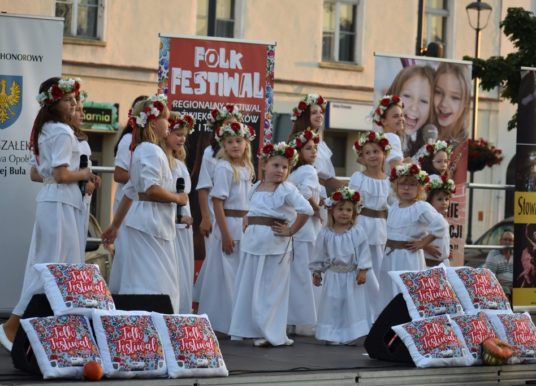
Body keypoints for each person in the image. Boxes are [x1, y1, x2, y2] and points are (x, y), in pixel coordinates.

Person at [0, 77, 94, 352]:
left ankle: (59, 330)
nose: (73, 104)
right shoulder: (62, 132)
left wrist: (75, 180)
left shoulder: (45, 129)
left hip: (56, 201)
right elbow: (62, 173)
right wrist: (85, 174)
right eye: (67, 100)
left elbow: (42, 172)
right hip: (60, 203)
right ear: (53, 103)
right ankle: (12, 325)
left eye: (74, 99)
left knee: (59, 268)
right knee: (53, 268)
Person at [102, 95, 187, 313]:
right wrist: (178, 198)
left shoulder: (142, 150)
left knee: (142, 277)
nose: (169, 124)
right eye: (166, 119)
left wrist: (115, 225)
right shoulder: (150, 150)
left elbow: (130, 191)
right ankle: (154, 326)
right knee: (156, 280)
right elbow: (151, 188)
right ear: (152, 122)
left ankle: (143, 327)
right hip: (151, 224)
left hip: (145, 223)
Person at [228, 142, 313, 347]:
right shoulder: (256, 186)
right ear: (264, 165)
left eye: (284, 167)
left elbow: (307, 210)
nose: (280, 170)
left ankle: (271, 332)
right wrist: (248, 218)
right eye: (276, 165)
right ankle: (247, 328)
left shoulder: (287, 189)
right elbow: (254, 208)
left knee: (270, 289)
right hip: (253, 243)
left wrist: (292, 230)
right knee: (249, 285)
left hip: (275, 246)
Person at [197, 121, 255, 334]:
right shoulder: (224, 167)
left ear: (246, 143)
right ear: (223, 145)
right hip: (228, 225)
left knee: (239, 277)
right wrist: (225, 234)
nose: (235, 146)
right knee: (226, 277)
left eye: (238, 141)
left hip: (243, 225)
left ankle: (238, 321)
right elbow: (218, 202)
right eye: (229, 142)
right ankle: (224, 322)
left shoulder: (246, 168)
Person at [310, 187, 377, 345]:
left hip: (351, 275)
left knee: (350, 305)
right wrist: (317, 272)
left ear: (354, 213)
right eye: (340, 209)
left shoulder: (356, 231)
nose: (344, 213)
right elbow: (320, 253)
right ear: (331, 210)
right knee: (333, 304)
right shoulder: (325, 233)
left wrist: (363, 270)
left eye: (348, 210)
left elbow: (364, 251)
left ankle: (349, 334)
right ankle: (332, 334)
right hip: (333, 275)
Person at [193, 105, 242, 303]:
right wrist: (206, 217)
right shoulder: (210, 153)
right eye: (226, 124)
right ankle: (213, 306)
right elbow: (204, 186)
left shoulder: (241, 156)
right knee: (218, 262)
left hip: (237, 219)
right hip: (216, 215)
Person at [379, 163, 445, 308]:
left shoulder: (421, 207)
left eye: (412, 185)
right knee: (388, 288)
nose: (406, 188)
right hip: (390, 255)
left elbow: (440, 226)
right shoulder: (395, 206)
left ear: (419, 188)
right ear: (396, 187)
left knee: (406, 290)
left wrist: (423, 243)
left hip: (408, 256)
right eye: (402, 185)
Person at [287, 129, 322, 335]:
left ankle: (294, 318)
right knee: (305, 274)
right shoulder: (309, 170)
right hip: (306, 229)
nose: (314, 151)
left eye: (315, 148)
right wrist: (317, 209)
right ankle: (306, 320)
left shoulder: (293, 173)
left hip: (298, 228)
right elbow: (306, 193)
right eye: (308, 148)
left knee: (297, 275)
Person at [165, 112, 196, 313]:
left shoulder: (180, 164)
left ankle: (183, 309)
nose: (181, 138)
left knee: (184, 269)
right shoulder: (164, 162)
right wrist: (177, 216)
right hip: (172, 222)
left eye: (184, 135)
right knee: (173, 268)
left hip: (184, 225)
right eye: (177, 133)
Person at [349, 131, 391, 279]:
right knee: (361, 260)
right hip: (362, 223)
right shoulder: (358, 177)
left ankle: (378, 299)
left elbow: (392, 207)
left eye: (376, 151)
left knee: (379, 263)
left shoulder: (389, 181)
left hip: (381, 226)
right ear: (362, 157)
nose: (372, 155)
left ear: (384, 154)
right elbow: (351, 203)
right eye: (367, 153)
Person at [288, 94, 345, 190]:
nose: (319, 115)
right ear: (305, 117)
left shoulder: (320, 142)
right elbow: (322, 179)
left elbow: (328, 178)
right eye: (314, 113)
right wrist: (350, 188)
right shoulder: (298, 142)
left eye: (321, 112)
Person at [386, 65, 435, 157]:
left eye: (423, 101)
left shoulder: (421, 147)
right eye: (407, 96)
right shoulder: (383, 141)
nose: (414, 107)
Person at [433, 62, 471, 148]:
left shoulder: (464, 147)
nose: (444, 104)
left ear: (465, 102)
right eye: (438, 92)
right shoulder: (422, 135)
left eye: (455, 97)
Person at [424, 175, 455, 267]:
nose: (444, 202)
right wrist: (426, 247)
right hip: (428, 264)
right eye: (439, 199)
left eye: (446, 199)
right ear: (430, 200)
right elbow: (414, 237)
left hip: (442, 264)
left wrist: (447, 250)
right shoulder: (425, 218)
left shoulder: (442, 217)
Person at [371, 95, 405, 174]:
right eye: (396, 116)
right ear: (383, 121)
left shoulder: (382, 138)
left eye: (402, 115)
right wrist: (410, 164)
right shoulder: (392, 138)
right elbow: (396, 168)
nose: (401, 119)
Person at [484, 230, 514, 297]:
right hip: (500, 286)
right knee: (506, 291)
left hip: (515, 287)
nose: (507, 242)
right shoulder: (493, 254)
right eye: (505, 239)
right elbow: (490, 276)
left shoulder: (517, 255)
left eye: (510, 240)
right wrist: (506, 288)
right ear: (500, 241)